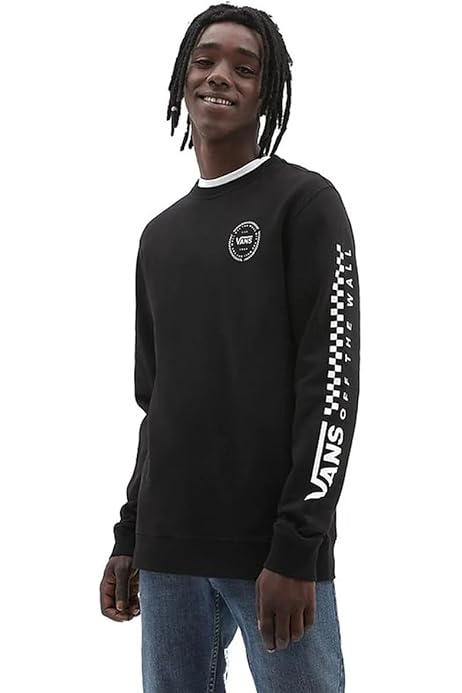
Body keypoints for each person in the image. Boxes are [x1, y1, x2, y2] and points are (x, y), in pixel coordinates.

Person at [99, 4, 360, 692]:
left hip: (271, 552)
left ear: (266, 93)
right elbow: (157, 404)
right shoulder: (159, 237)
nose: (220, 76)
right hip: (167, 554)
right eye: (205, 60)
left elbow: (331, 384)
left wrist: (299, 544)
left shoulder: (304, 204)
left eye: (245, 68)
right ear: (182, 77)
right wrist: (130, 534)